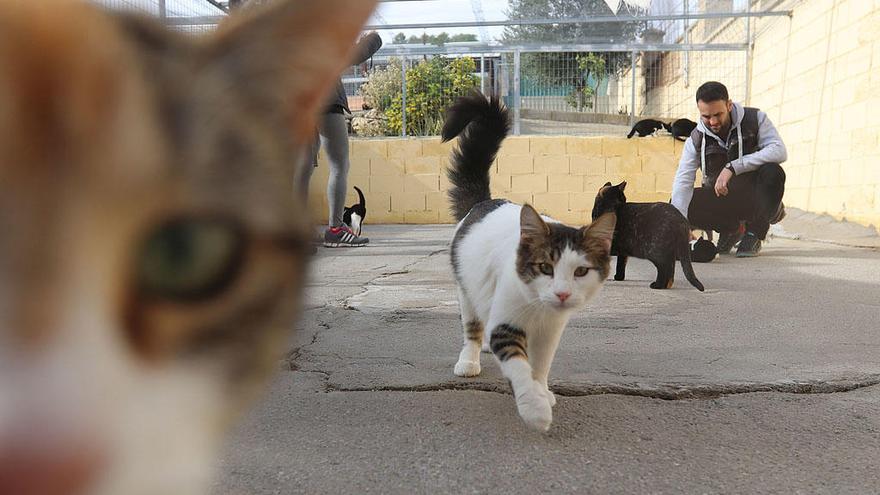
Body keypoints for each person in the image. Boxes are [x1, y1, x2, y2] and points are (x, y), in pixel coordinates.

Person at [671, 81, 787, 257]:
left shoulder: (755, 119)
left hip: (756, 197)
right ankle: (733, 229)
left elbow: (779, 150)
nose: (713, 121)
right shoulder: (696, 138)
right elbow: (683, 180)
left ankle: (755, 233)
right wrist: (681, 227)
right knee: (677, 203)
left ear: (729, 105)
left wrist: (733, 167)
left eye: (718, 114)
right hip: (723, 198)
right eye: (706, 116)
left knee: (773, 172)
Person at [299, 31, 382, 248]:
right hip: (325, 101)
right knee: (339, 165)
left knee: (303, 166)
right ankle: (336, 229)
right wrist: (373, 38)